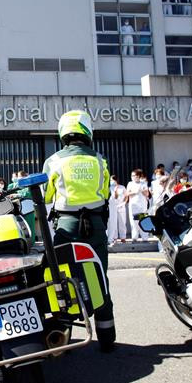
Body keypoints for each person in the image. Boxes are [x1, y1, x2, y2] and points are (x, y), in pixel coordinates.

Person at [42, 109, 115, 351]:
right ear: (87, 131)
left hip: (67, 225)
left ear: (63, 133)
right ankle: (106, 337)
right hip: (95, 226)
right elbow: (105, 193)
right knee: (100, 277)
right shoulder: (99, 160)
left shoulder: (54, 161)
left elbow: (46, 195)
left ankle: (62, 334)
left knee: (63, 279)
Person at [126, 169, 150, 240]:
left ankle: (145, 237)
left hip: (142, 206)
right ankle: (135, 237)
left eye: (134, 175)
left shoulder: (143, 183)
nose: (133, 177)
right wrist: (135, 192)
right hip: (133, 205)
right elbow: (127, 193)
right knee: (134, 221)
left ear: (138, 176)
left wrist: (142, 191)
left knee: (143, 220)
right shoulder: (130, 183)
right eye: (132, 175)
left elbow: (147, 194)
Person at [107, 174, 128, 243]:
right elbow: (113, 197)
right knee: (113, 222)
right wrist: (115, 191)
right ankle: (114, 237)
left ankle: (123, 237)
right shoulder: (109, 188)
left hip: (121, 206)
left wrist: (124, 203)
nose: (111, 181)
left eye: (112, 180)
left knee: (122, 221)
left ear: (116, 180)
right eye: (110, 180)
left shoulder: (122, 187)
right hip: (113, 206)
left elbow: (126, 196)